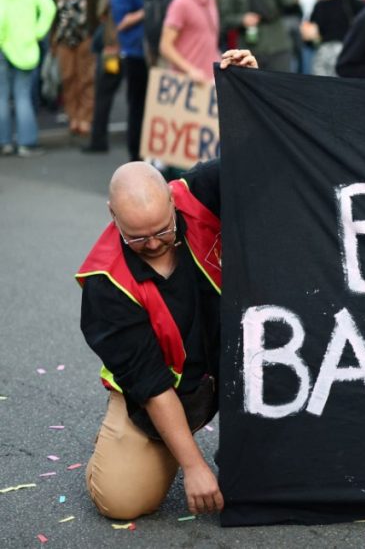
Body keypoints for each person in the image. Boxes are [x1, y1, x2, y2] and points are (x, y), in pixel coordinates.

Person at [77, 49, 256, 520]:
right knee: (122, 501)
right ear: (112, 216)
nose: (155, 243)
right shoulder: (105, 284)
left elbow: (256, 158)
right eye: (138, 238)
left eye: (163, 230)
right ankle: (126, 438)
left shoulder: (197, 193)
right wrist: (193, 465)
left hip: (234, 363)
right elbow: (154, 384)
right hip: (167, 393)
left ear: (172, 201)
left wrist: (251, 91)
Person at [0, 0, 57, 156]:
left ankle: (4, 143)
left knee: (1, 97)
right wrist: (37, 33)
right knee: (23, 96)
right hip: (25, 46)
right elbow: (49, 9)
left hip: (1, 46)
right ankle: (27, 143)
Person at [111, 0, 161, 161]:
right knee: (138, 107)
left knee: (153, 108)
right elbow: (120, 22)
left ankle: (150, 153)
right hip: (136, 55)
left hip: (153, 55)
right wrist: (147, 10)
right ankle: (136, 156)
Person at [51, 0, 99, 137]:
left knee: (86, 78)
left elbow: (96, 16)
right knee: (68, 78)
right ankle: (73, 116)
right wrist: (53, 40)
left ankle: (85, 117)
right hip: (63, 40)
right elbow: (55, 17)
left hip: (85, 39)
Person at [159, 0, 222, 83]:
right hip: (187, 82)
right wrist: (190, 70)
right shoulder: (181, 2)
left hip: (210, 80)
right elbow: (165, 46)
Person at [301, 0, 363, 77]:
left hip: (347, 53)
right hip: (324, 54)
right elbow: (314, 33)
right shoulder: (319, 5)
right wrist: (309, 33)